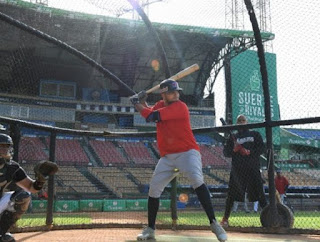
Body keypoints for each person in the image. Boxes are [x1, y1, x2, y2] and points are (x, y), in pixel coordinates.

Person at [129, 79, 227, 242]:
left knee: (197, 181)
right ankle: (150, 229)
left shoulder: (180, 106)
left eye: (176, 91)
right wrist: (142, 101)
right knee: (154, 189)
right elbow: (149, 110)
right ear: (163, 94)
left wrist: (136, 103)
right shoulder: (160, 104)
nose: (176, 94)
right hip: (167, 157)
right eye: (171, 92)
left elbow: (151, 117)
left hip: (187, 153)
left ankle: (214, 223)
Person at [0, 133, 58, 242]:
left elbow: (31, 188)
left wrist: (40, 180)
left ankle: (1, 231)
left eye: (6, 146)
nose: (5, 149)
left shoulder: (12, 167)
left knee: (24, 196)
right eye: (1, 146)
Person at [220, 114, 268, 227]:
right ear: (237, 123)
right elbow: (226, 153)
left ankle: (268, 217)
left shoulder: (255, 134)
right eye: (239, 120)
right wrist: (234, 150)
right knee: (231, 194)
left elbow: (262, 148)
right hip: (237, 170)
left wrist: (250, 152)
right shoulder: (233, 138)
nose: (241, 122)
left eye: (243, 120)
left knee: (260, 193)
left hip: (253, 168)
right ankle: (225, 219)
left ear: (247, 122)